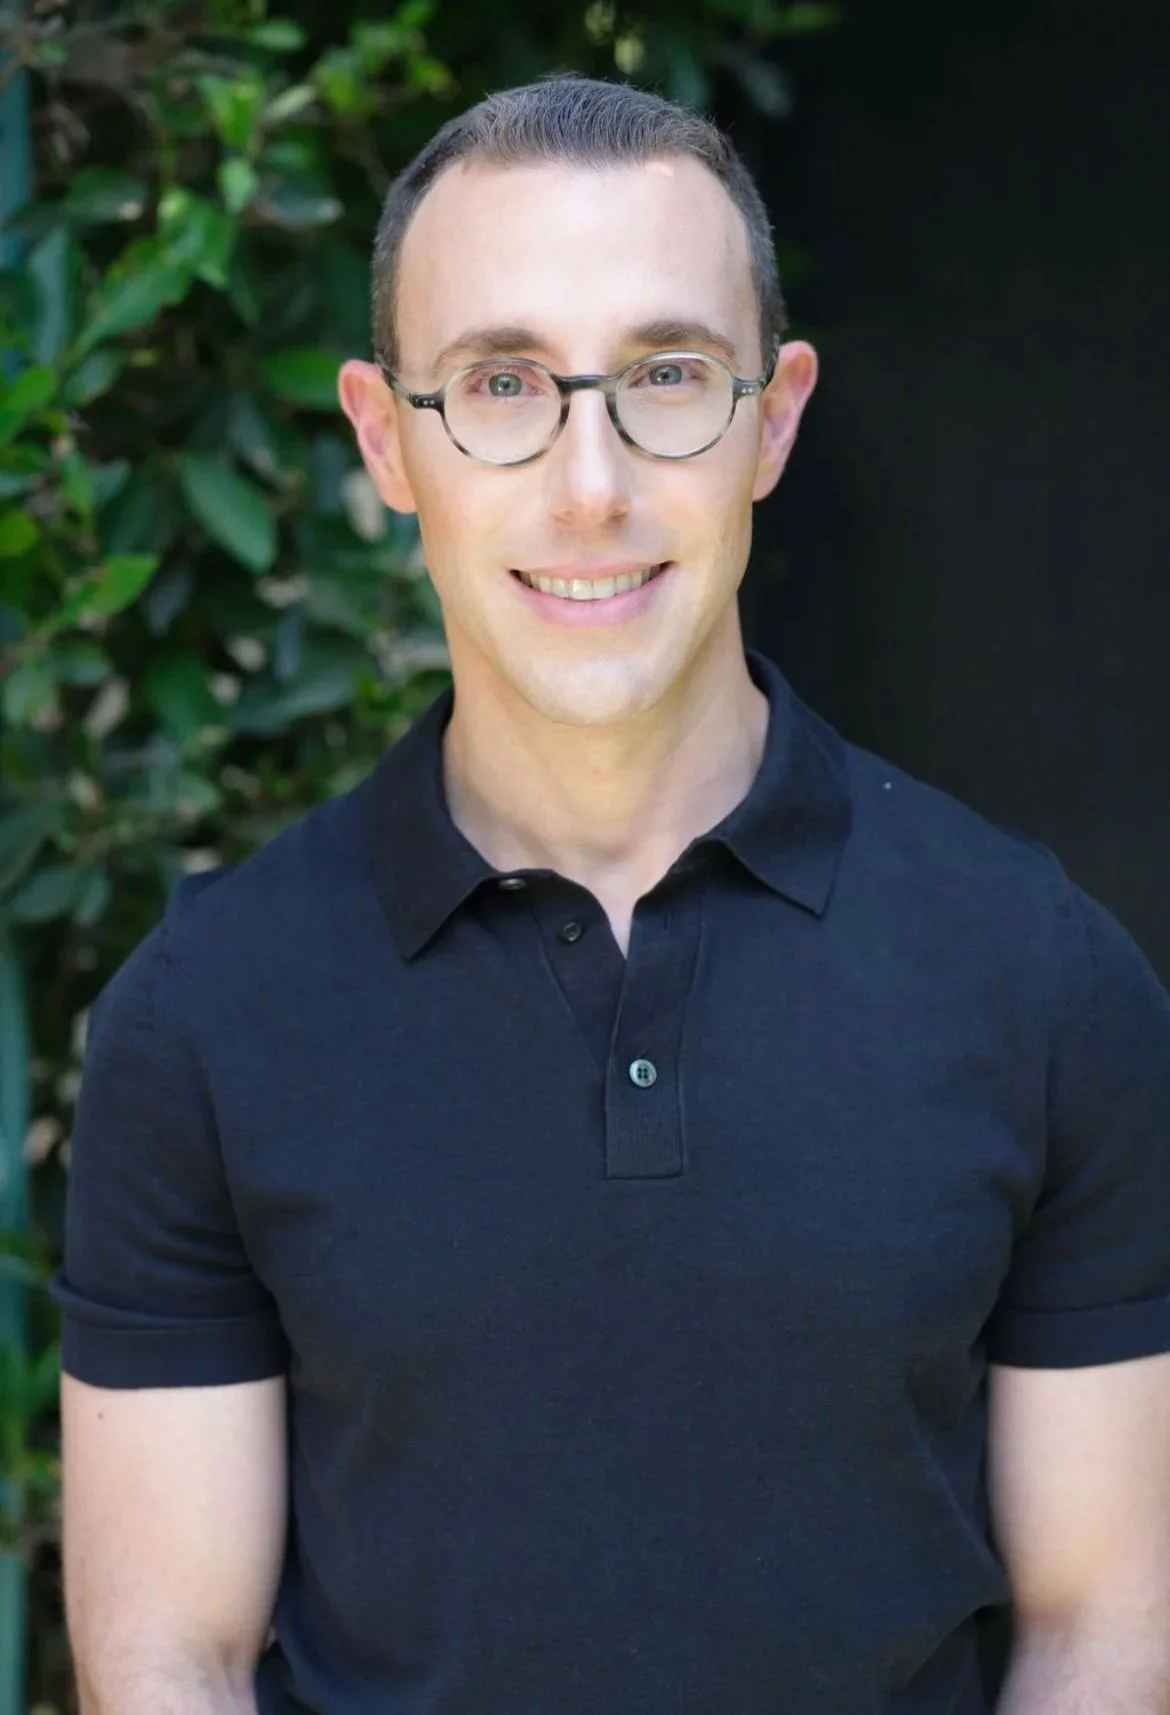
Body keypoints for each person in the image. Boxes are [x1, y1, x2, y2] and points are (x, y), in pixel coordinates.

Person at [54, 73, 1170, 1715]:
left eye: (665, 375)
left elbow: (1102, 1633)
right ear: (386, 437)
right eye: (500, 383)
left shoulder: (1044, 978)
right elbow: (170, 1658)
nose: (591, 485)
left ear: (772, 419)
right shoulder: (206, 1014)